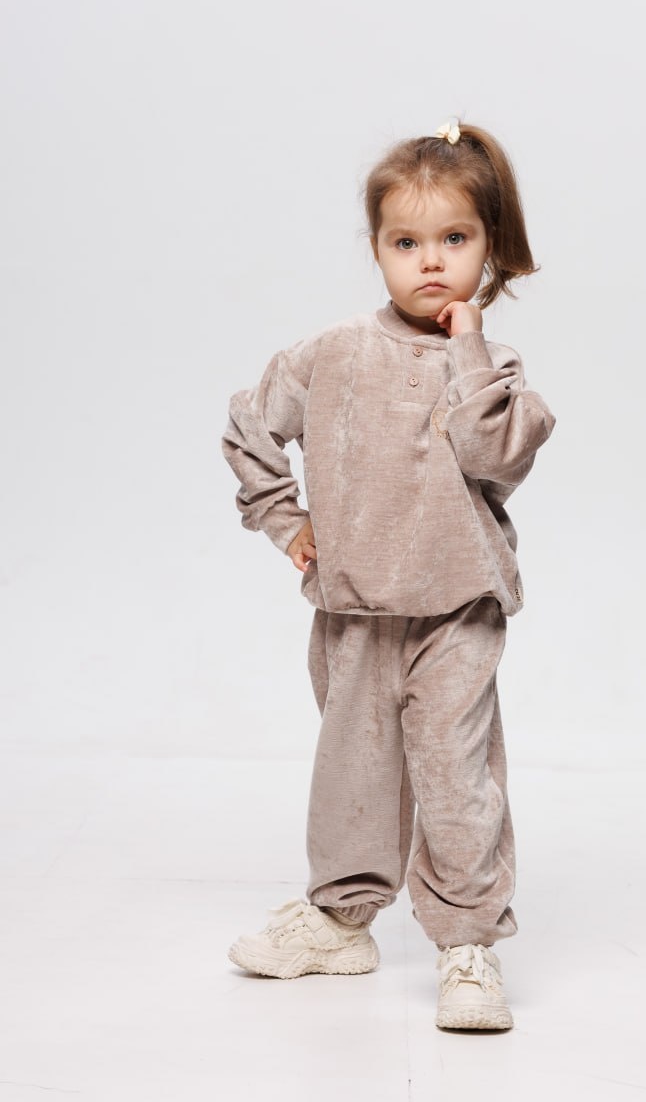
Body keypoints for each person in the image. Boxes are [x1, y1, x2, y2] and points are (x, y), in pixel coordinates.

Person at [221, 117, 556, 1031]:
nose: (431, 261)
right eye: (405, 242)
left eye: (455, 238)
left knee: (455, 777)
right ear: (375, 248)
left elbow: (492, 455)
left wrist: (468, 344)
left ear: (489, 247)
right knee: (354, 770)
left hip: (457, 609)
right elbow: (250, 425)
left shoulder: (495, 369)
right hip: (357, 608)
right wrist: (286, 519)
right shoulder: (331, 352)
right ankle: (341, 920)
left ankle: (467, 944)